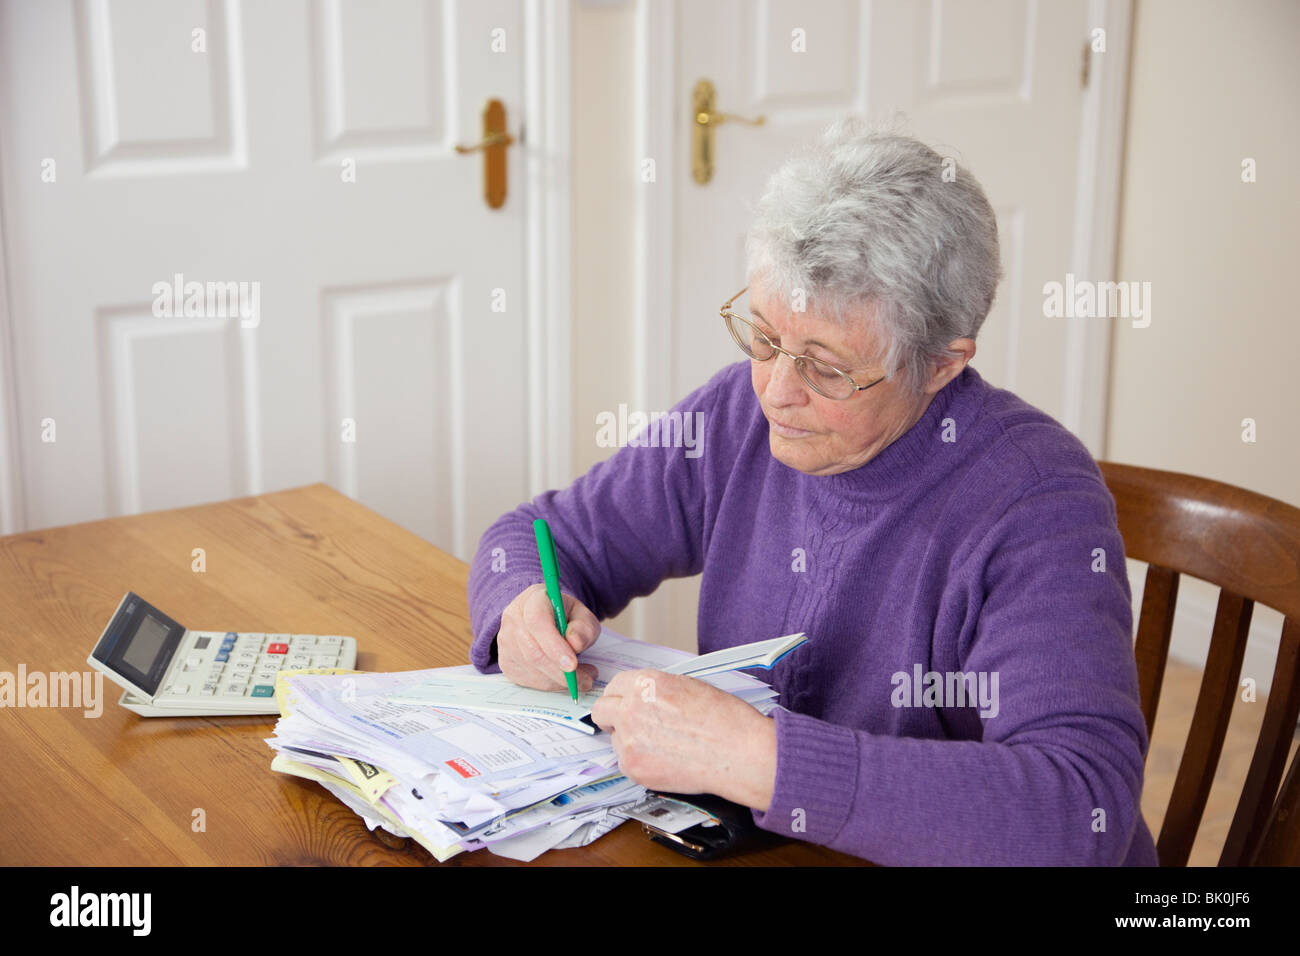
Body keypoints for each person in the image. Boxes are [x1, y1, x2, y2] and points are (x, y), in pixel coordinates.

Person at [466, 117, 1158, 865]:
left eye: (827, 368)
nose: (775, 392)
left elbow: (1079, 807)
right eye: (764, 338)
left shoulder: (1035, 500)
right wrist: (521, 610)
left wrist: (763, 761)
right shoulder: (735, 414)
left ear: (942, 365)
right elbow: (543, 535)